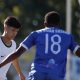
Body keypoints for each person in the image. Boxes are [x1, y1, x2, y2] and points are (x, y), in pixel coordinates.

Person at [0, 11, 80, 80]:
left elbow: (17, 54)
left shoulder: (37, 34)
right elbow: (78, 52)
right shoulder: (68, 36)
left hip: (38, 74)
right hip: (56, 75)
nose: (15, 33)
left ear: (45, 23)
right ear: (59, 24)